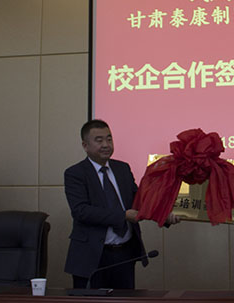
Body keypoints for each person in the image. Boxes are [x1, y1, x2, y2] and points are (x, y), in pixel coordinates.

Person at [64, 119, 178, 289]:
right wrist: (123, 215)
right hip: (92, 257)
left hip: (124, 255)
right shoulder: (75, 173)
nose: (106, 144)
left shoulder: (122, 169)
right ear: (85, 145)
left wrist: (164, 215)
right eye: (99, 140)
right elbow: (81, 211)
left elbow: (140, 202)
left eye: (109, 139)